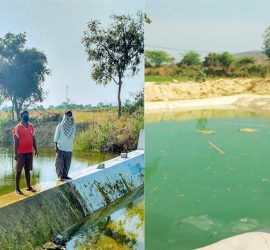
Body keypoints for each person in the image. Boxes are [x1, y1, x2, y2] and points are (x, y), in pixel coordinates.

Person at [13, 110, 38, 195]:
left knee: (27, 170)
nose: (27, 116)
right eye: (25, 115)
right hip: (21, 153)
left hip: (29, 152)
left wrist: (36, 150)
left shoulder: (31, 126)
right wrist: (15, 153)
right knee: (18, 171)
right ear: (22, 116)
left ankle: (28, 186)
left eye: (28, 114)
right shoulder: (18, 127)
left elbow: (33, 138)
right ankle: (17, 189)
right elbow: (15, 142)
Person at [54, 111, 76, 181]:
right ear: (64, 116)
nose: (68, 117)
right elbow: (56, 137)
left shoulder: (73, 126)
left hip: (69, 148)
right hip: (61, 147)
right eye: (67, 115)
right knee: (59, 163)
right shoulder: (60, 126)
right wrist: (56, 146)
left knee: (67, 163)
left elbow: (73, 137)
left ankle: (65, 175)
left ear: (71, 116)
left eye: (69, 115)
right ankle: (60, 176)